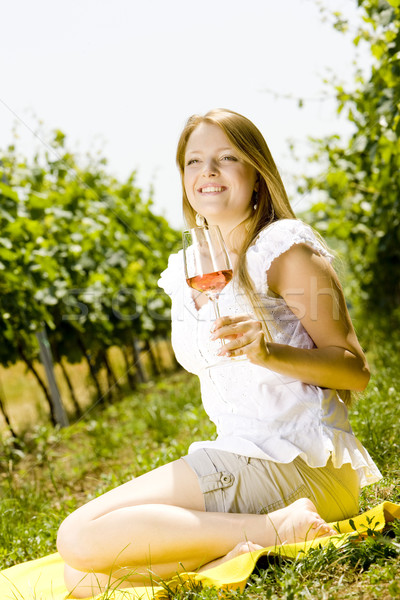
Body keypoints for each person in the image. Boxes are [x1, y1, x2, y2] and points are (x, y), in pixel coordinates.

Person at [57, 109, 381, 597]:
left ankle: (278, 528)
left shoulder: (282, 248)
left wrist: (270, 352)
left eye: (226, 157)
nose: (207, 172)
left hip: (300, 464)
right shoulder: (187, 265)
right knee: (84, 573)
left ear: (256, 173)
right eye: (194, 161)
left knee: (77, 536)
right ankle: (253, 536)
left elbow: (355, 371)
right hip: (238, 453)